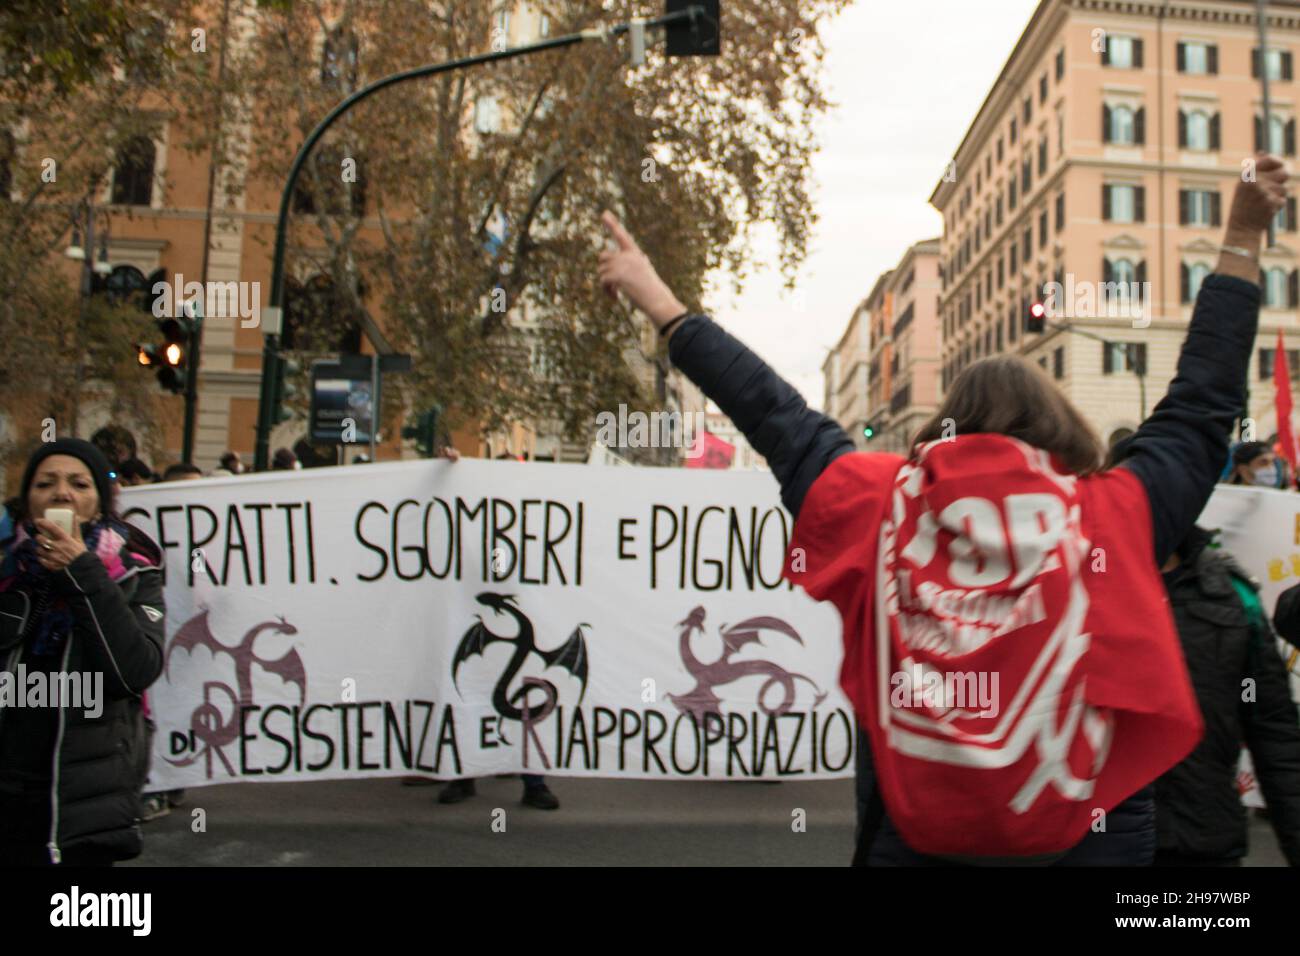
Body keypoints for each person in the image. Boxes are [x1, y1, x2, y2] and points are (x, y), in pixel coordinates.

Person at [595, 155, 1289, 864]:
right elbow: (1202, 406)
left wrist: (666, 307)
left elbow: (774, 413)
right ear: (1059, 426)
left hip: (916, 843)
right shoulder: (1110, 514)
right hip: (1088, 842)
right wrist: (1240, 235)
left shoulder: (879, 507)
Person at [0, 439, 165, 864]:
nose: (61, 493)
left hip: (86, 811)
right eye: (45, 483)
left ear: (98, 504)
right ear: (27, 501)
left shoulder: (134, 574)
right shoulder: (6, 571)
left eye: (79, 483)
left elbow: (134, 670)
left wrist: (80, 570)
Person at [1143, 525, 1300, 866]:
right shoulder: (1075, 575)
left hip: (1204, 837)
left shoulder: (1233, 593)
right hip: (1094, 843)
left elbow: (1272, 730)